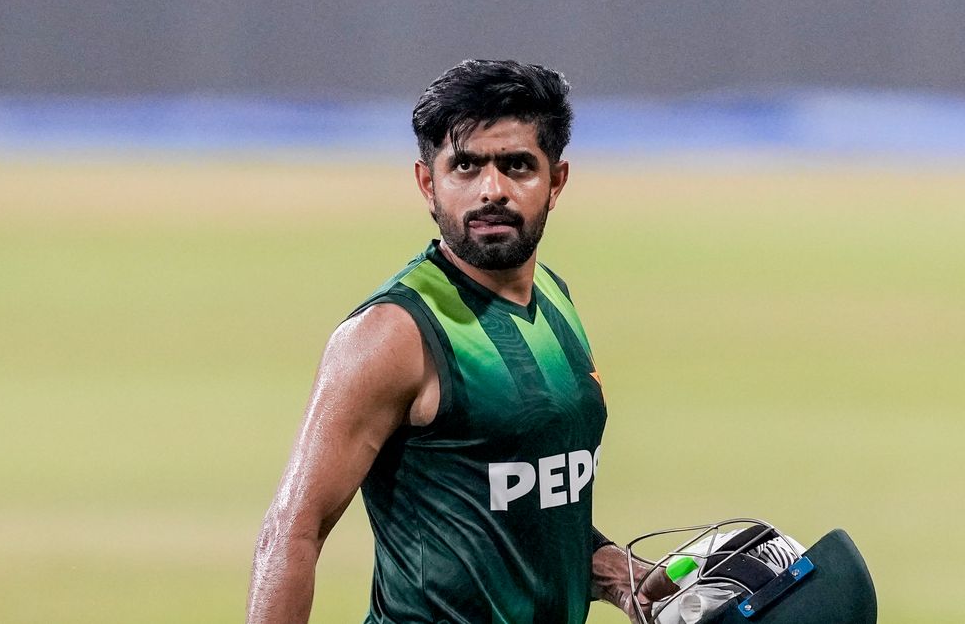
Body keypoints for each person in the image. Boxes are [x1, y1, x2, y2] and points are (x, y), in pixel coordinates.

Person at [246, 59, 674, 623]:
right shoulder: (392, 334)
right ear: (429, 184)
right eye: (466, 166)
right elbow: (291, 532)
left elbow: (524, 504)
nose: (492, 190)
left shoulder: (553, 297)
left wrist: (619, 575)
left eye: (517, 165)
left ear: (556, 182)